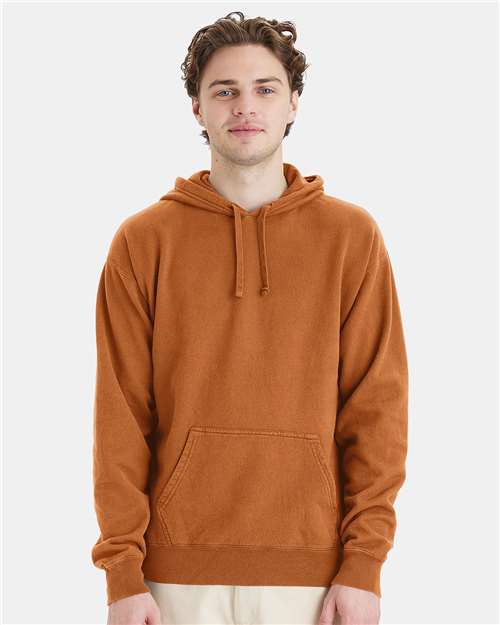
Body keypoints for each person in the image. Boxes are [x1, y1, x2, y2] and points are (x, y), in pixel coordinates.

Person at [91, 11, 409, 625]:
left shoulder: (351, 237)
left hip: (315, 578)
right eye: (224, 91)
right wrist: (122, 574)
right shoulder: (143, 241)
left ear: (292, 104)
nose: (245, 106)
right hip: (170, 579)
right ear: (196, 107)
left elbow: (378, 410)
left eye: (265, 89)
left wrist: (364, 564)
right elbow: (120, 418)